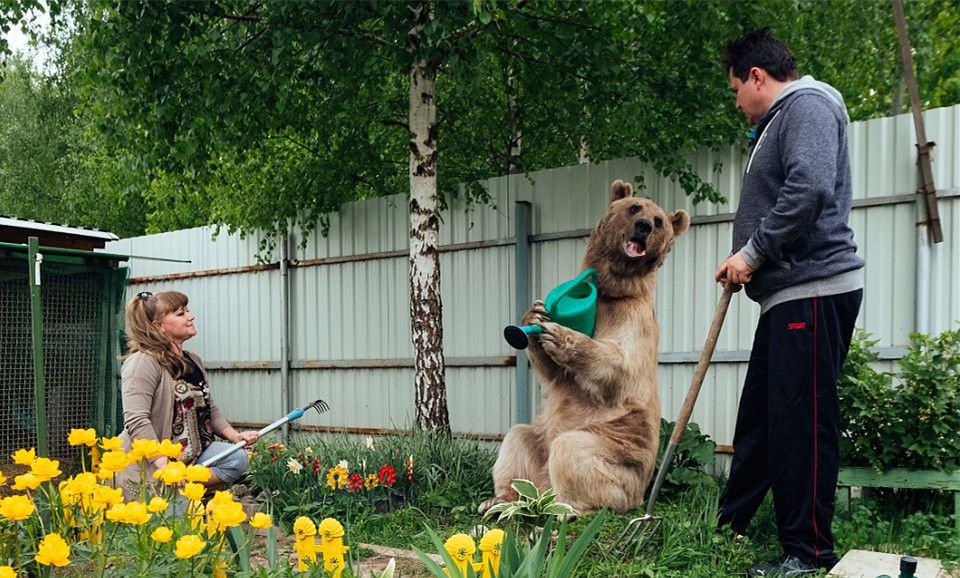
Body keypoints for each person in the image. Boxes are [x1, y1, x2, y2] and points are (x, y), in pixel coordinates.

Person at [714, 28, 864, 577]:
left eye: (736, 89)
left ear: (758, 77)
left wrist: (751, 254)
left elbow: (809, 189)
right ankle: (730, 524)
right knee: (761, 418)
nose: (736, 102)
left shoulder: (807, 107)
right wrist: (748, 263)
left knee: (802, 424)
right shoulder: (783, 120)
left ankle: (809, 552)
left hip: (815, 290)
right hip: (787, 296)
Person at [114, 290, 258, 498]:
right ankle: (175, 490)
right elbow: (136, 419)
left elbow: (210, 407)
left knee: (236, 458)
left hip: (194, 455)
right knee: (173, 526)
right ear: (158, 326)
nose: (190, 317)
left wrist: (235, 436)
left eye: (187, 311)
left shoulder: (193, 360)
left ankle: (186, 487)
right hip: (154, 463)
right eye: (180, 314)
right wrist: (163, 464)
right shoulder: (142, 362)